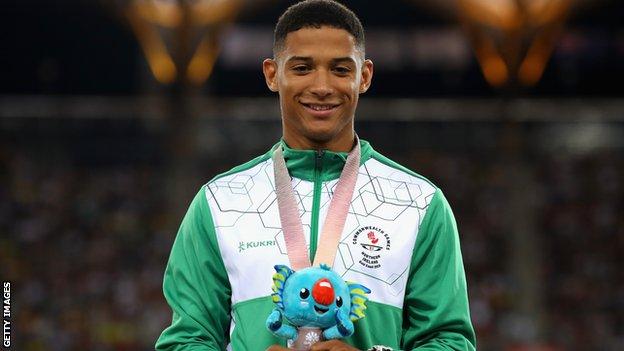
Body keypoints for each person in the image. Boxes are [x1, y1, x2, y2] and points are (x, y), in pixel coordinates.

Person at [155, 1, 476, 350]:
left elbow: (449, 341)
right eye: (303, 68)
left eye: (340, 70)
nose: (322, 86)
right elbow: (186, 340)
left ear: (364, 76)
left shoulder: (420, 204)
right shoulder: (219, 202)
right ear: (272, 74)